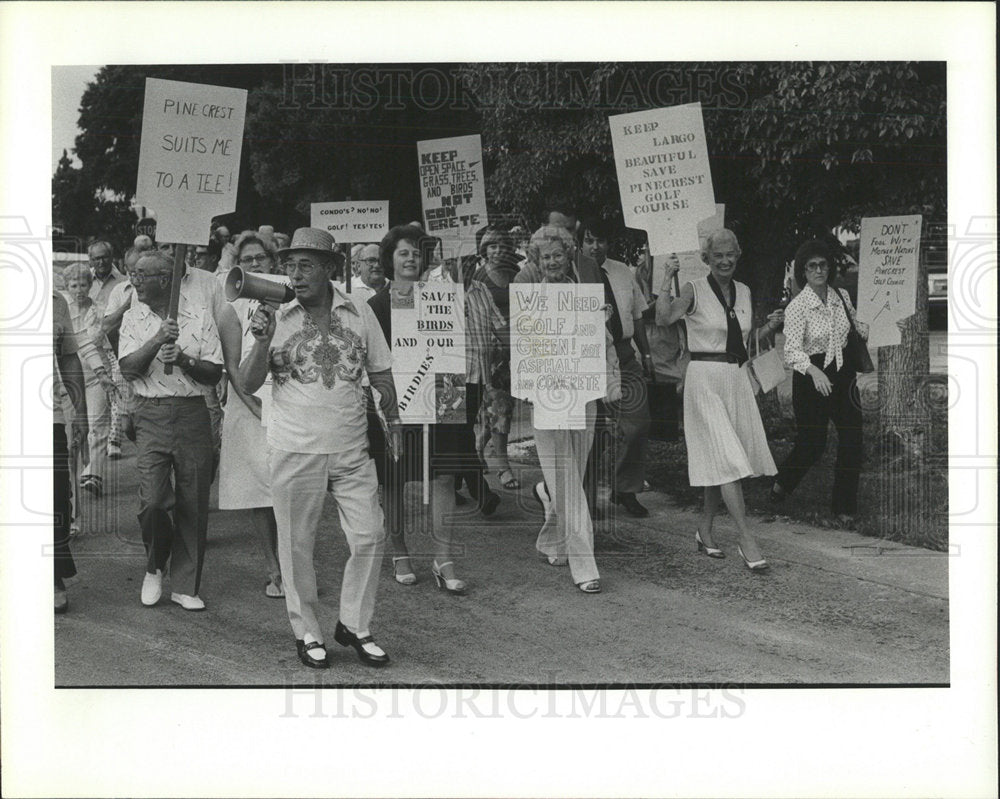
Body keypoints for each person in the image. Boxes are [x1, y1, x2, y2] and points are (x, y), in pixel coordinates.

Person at [240, 227, 399, 669]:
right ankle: (307, 631)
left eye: (306, 264)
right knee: (296, 546)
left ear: (331, 268)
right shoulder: (273, 314)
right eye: (290, 265)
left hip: (352, 448)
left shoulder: (360, 310)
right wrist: (259, 340)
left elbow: (381, 371)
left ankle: (354, 624)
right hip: (295, 448)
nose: (295, 274)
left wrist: (394, 417)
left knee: (369, 535)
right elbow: (249, 382)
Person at [367, 225, 501, 593]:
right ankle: (399, 552)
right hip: (396, 399)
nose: (411, 259)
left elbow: (456, 348)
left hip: (444, 392)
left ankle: (444, 558)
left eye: (416, 253)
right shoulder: (376, 305)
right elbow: (372, 360)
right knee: (393, 480)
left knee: (444, 474)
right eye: (403, 253)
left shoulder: (445, 298)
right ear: (389, 259)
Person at [657, 228, 783, 571]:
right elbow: (664, 318)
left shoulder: (743, 291)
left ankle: (706, 529)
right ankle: (746, 537)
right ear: (706, 259)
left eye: (730, 255)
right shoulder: (693, 289)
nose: (725, 261)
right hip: (704, 380)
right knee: (728, 457)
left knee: (721, 458)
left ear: (737, 256)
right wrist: (667, 279)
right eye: (718, 256)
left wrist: (767, 330)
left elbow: (739, 340)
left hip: (735, 379)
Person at [119, 251, 223, 610]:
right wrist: (155, 341)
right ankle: (153, 565)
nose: (135, 281)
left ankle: (185, 585)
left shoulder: (200, 316)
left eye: (142, 276)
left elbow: (213, 372)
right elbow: (128, 368)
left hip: (193, 412)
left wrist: (183, 359)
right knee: (153, 502)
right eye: (134, 275)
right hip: (151, 413)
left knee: (194, 501)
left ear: (165, 280)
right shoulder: (133, 318)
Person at [517, 225, 617, 593]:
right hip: (546, 398)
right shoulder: (528, 300)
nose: (553, 261)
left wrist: (600, 321)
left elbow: (603, 344)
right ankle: (584, 564)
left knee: (575, 468)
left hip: (583, 395)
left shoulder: (586, 296)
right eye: (546, 257)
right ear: (537, 262)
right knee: (565, 478)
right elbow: (522, 351)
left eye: (559, 255)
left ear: (569, 256)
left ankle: (553, 539)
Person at [771, 239, 869, 521]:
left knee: (852, 439)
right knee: (813, 443)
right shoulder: (797, 307)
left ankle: (844, 508)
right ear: (803, 270)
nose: (818, 270)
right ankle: (782, 484)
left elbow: (859, 330)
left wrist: (884, 324)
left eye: (822, 264)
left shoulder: (841, 296)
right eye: (811, 265)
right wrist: (814, 373)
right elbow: (790, 351)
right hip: (811, 375)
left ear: (830, 266)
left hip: (843, 372)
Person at [217, 233, 283, 597]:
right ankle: (273, 568)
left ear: (272, 262)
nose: (255, 264)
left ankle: (292, 564)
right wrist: (255, 407)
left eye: (260, 258)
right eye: (247, 258)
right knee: (259, 490)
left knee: (288, 490)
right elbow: (231, 367)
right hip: (249, 408)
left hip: (288, 405)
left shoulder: (291, 299)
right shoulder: (231, 308)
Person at [579, 218, 654, 517]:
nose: (595, 247)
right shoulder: (574, 276)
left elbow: (636, 317)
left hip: (624, 357)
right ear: (580, 242)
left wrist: (646, 355)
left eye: (600, 241)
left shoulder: (623, 272)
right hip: (589, 358)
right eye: (589, 240)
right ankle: (586, 497)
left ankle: (625, 489)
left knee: (638, 423)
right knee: (593, 431)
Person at [61, 263, 120, 522]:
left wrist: (104, 375)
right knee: (75, 434)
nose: (79, 290)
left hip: (94, 373)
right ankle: (71, 502)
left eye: (83, 285)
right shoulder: (60, 310)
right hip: (67, 378)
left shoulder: (97, 311)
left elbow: (92, 342)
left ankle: (93, 473)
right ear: (66, 287)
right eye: (74, 285)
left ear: (90, 285)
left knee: (97, 424)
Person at [473, 228, 521, 490]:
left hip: (514, 351)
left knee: (499, 409)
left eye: (502, 246)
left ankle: (478, 449)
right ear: (484, 250)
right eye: (492, 246)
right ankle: (502, 465)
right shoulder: (478, 277)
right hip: (487, 353)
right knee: (497, 408)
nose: (497, 251)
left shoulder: (517, 276)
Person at [53, 291, 89, 613]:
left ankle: (52, 577)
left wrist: (80, 412)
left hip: (45, 414)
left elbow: (68, 357)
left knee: (55, 494)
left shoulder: (55, 302)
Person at [81, 239, 125, 492]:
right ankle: (91, 469)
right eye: (95, 258)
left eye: (104, 257)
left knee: (108, 413)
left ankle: (94, 473)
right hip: (85, 354)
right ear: (90, 260)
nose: (100, 262)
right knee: (88, 418)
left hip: (112, 353)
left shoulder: (122, 284)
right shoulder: (83, 283)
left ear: (111, 257)